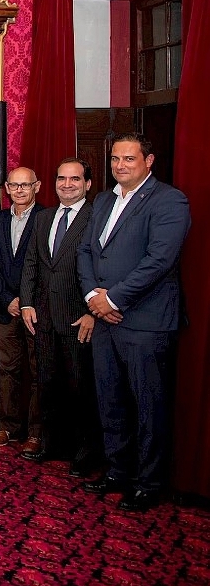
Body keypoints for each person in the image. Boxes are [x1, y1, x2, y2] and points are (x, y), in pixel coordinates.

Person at [78, 134, 190, 512]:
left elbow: (159, 261)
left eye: (129, 158)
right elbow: (85, 251)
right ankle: (117, 471)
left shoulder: (169, 200)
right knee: (110, 400)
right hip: (104, 319)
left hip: (145, 322)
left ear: (149, 160)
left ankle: (149, 483)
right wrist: (92, 296)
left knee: (148, 406)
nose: (120, 165)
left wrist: (112, 299)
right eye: (115, 159)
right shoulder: (103, 200)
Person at [19, 158, 101, 474]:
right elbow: (32, 262)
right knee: (48, 384)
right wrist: (27, 303)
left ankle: (84, 454)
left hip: (79, 319)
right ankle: (53, 445)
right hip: (43, 318)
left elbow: (104, 267)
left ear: (88, 184)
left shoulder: (96, 217)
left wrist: (93, 312)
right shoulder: (44, 218)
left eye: (75, 179)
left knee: (80, 389)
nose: (67, 185)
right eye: (62, 179)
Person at [0, 166, 44, 454]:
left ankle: (36, 432)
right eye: (14, 185)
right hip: (4, 307)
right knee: (7, 370)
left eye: (25, 185)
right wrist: (8, 298)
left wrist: (27, 299)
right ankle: (7, 426)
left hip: (36, 310)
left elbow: (47, 266)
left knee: (38, 371)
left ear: (37, 187)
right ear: (6, 189)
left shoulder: (47, 218)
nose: (19, 190)